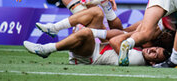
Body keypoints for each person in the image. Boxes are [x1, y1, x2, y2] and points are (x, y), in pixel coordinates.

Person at [23, 6, 168, 66]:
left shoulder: (138, 60)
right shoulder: (141, 45)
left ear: (153, 63)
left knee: (86, 32)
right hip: (96, 46)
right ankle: (55, 28)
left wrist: (137, 33)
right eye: (156, 49)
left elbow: (116, 40)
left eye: (155, 56)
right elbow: (119, 33)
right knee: (97, 12)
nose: (153, 51)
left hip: (89, 56)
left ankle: (46, 49)